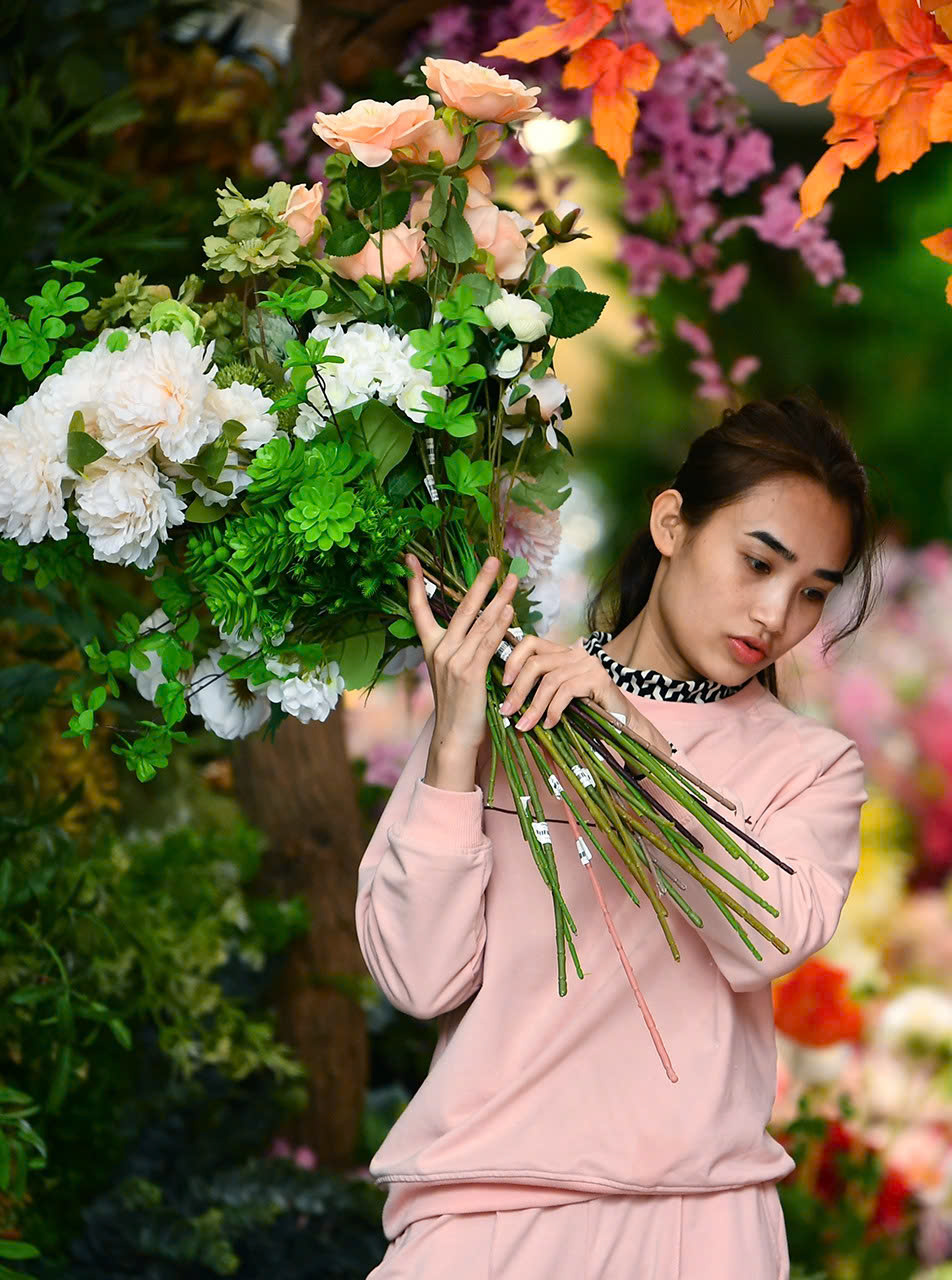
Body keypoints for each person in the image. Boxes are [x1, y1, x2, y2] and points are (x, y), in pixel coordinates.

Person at [358, 398, 879, 1278]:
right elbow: (418, 977)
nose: (774, 614)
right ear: (672, 523)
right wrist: (455, 741)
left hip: (700, 1228)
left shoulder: (812, 766)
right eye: (758, 563)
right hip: (485, 1212)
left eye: (812, 593)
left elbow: (768, 933)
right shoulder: (508, 699)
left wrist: (631, 738)